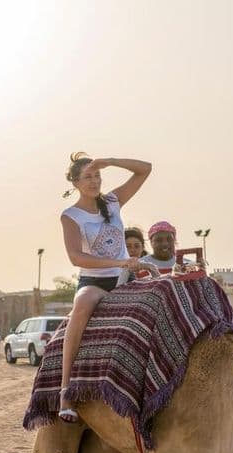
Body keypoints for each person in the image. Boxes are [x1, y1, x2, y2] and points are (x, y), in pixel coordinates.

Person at [59, 153, 153, 422]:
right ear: (75, 182)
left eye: (97, 175)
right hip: (95, 282)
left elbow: (145, 169)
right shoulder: (71, 216)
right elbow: (76, 257)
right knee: (82, 305)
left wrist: (110, 161)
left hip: (126, 279)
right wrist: (120, 261)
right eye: (87, 176)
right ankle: (66, 390)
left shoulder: (112, 202)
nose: (94, 181)